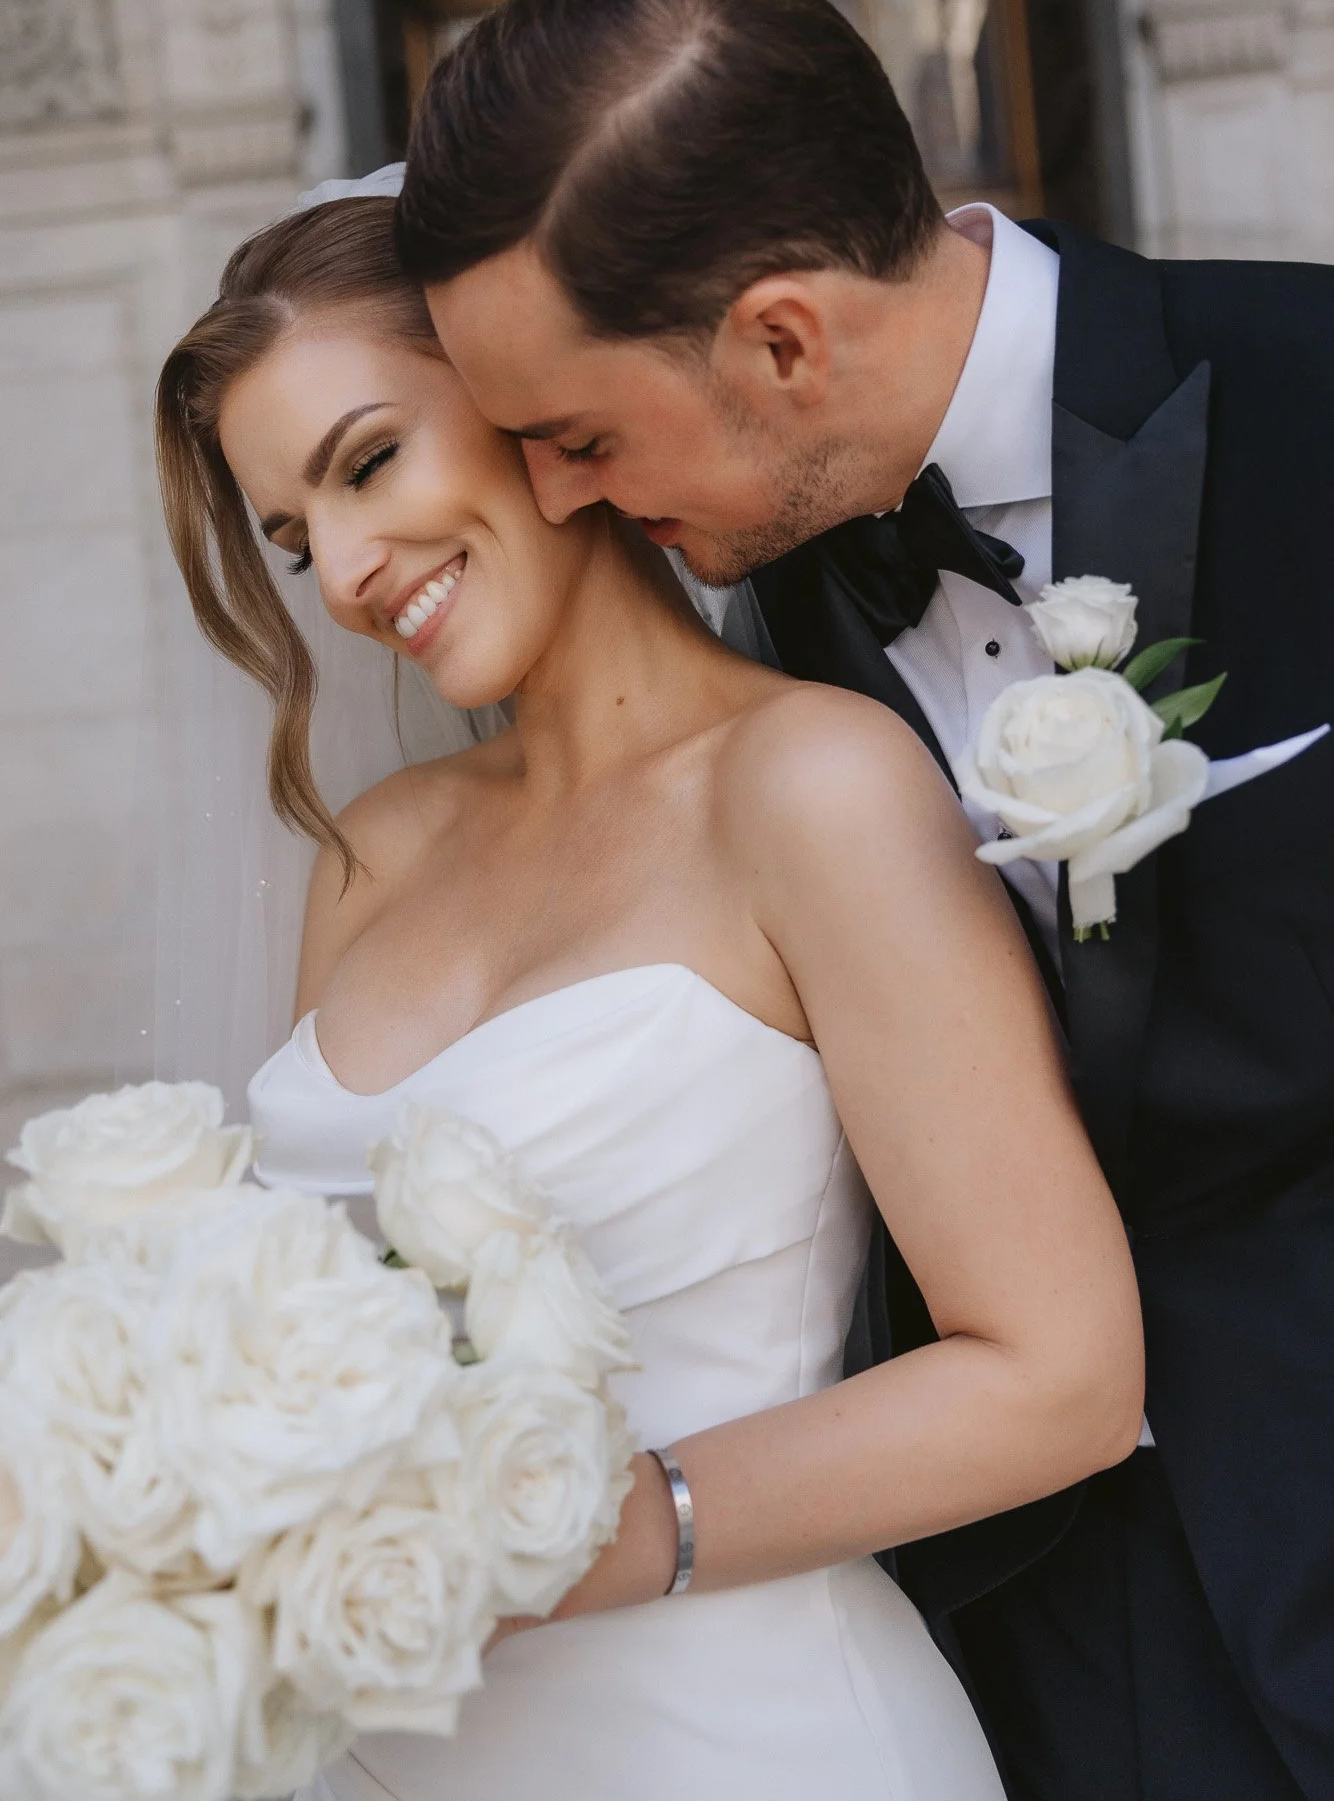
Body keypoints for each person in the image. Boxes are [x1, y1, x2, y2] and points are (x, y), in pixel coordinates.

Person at [394, 0, 1334, 1801]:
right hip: (1009, 1656)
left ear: (780, 339)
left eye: (576, 437)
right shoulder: (714, 676)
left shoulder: (1314, 391)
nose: (565, 505)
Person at [154, 192, 1141, 1801]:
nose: (337, 573)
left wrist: (571, 1539)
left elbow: (1060, 1381)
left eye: (365, 463)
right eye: (289, 536)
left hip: (747, 1735)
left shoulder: (807, 786)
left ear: (524, 408)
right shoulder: (374, 856)